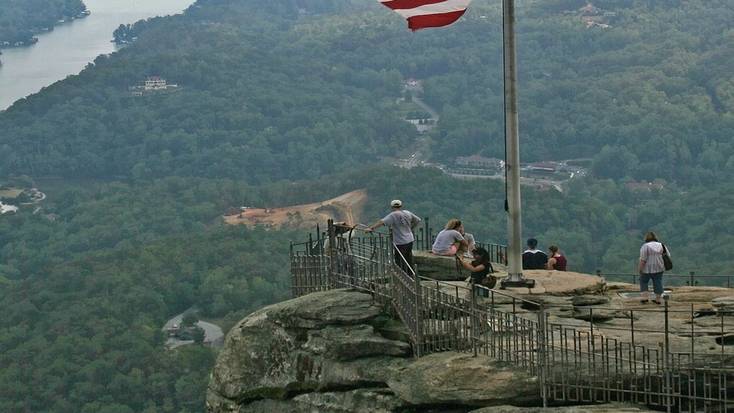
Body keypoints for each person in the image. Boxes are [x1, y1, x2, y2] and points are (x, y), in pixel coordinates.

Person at [367, 200, 421, 273]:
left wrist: (371, 228)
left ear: (392, 207)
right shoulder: (407, 213)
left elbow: (381, 222)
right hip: (410, 239)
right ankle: (410, 275)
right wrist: (411, 228)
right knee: (408, 258)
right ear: (401, 206)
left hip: (400, 241)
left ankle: (402, 276)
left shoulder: (393, 215)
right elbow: (418, 220)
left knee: (399, 260)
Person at [639, 231, 668, 304]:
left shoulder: (645, 246)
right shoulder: (662, 245)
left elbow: (643, 259)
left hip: (647, 268)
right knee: (658, 282)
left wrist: (640, 269)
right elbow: (667, 255)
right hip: (659, 267)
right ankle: (658, 299)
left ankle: (645, 298)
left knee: (644, 281)